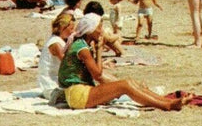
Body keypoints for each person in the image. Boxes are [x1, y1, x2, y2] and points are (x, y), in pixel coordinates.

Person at [58, 13, 194, 111]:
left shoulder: (82, 44)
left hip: (79, 93)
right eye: (99, 27)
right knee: (125, 85)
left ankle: (168, 101)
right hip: (78, 95)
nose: (101, 30)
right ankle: (167, 105)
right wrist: (99, 49)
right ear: (90, 30)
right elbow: (97, 75)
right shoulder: (82, 48)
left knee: (130, 83)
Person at [37, 12, 75, 101]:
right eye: (71, 29)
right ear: (63, 28)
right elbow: (68, 63)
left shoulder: (58, 40)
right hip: (51, 86)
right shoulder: (55, 43)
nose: (73, 31)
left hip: (55, 81)